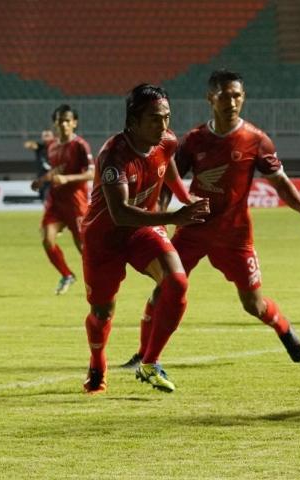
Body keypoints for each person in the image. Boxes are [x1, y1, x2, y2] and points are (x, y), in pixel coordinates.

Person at [120, 70, 300, 371]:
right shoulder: (194, 140)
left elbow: (280, 181)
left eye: (236, 95)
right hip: (193, 230)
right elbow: (167, 178)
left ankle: (283, 328)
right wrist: (159, 220)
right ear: (211, 98)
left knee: (253, 305)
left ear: (243, 98)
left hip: (235, 236)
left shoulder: (255, 140)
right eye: (224, 95)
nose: (231, 101)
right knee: (164, 286)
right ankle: (143, 355)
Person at [80, 84, 210, 394]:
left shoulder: (166, 141)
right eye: (154, 118)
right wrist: (174, 217)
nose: (163, 125)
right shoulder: (113, 156)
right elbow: (120, 213)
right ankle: (98, 361)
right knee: (102, 312)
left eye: (166, 117)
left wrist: (186, 198)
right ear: (133, 121)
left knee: (176, 282)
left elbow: (170, 172)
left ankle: (150, 362)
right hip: (105, 239)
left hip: (143, 230)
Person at [30, 106, 94, 295]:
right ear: (55, 123)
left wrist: (68, 179)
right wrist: (42, 181)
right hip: (56, 202)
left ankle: (97, 283)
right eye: (60, 120)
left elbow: (92, 173)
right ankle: (67, 275)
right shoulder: (53, 146)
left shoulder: (81, 145)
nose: (64, 124)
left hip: (76, 203)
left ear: (74, 123)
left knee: (84, 249)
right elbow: (57, 170)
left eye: (67, 120)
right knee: (47, 239)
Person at [24, 129, 54, 201]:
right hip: (42, 181)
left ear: (53, 136)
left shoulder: (58, 148)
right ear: (42, 137)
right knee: (46, 201)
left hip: (54, 180)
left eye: (48, 135)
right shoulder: (40, 148)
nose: (46, 137)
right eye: (45, 135)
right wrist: (31, 144)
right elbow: (28, 145)